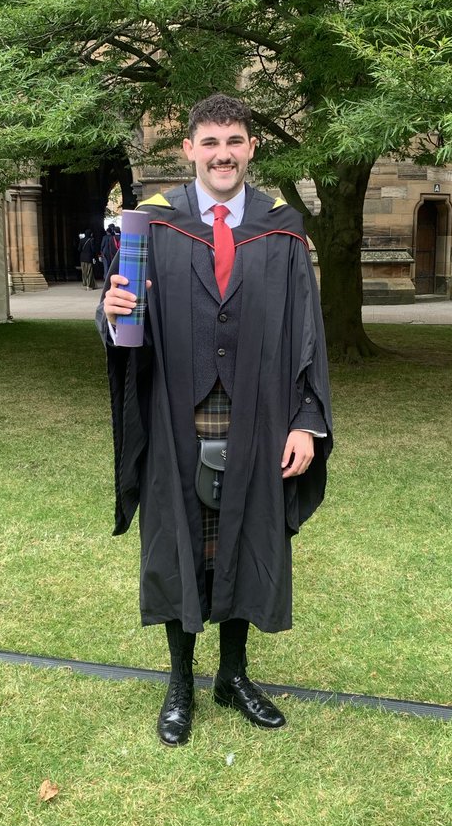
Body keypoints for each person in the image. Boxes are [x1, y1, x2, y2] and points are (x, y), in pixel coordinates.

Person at [97, 93, 332, 746]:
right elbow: (122, 321)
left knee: (242, 540)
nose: (222, 154)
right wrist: (114, 312)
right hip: (177, 413)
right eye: (210, 143)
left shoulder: (281, 228)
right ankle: (180, 683)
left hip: (257, 414)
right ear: (190, 151)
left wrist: (305, 419)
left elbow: (307, 332)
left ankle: (232, 675)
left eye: (234, 141)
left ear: (252, 147)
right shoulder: (152, 225)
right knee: (181, 545)